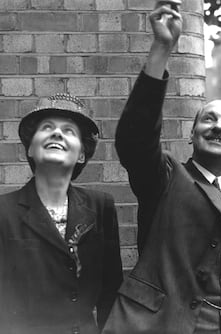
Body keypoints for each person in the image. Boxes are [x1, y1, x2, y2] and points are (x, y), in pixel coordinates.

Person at [104, 1, 221, 333]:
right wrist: (162, 49)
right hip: (168, 323)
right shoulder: (165, 178)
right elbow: (136, 139)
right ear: (192, 135)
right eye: (209, 119)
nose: (218, 127)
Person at [0, 93, 123, 334]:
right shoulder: (3, 211)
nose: (57, 133)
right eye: (47, 128)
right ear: (31, 149)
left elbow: (111, 293)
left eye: (69, 131)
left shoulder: (101, 207)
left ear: (81, 154)